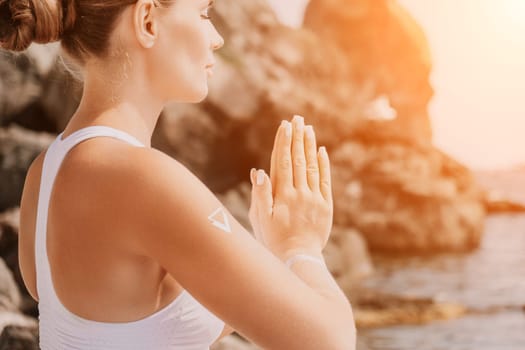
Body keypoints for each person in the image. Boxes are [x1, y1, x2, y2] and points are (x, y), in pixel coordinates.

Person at [3, 0, 356, 348]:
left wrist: (271, 254)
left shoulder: (43, 175)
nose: (216, 37)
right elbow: (329, 342)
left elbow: (162, 326)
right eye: (203, 13)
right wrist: (302, 246)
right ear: (148, 21)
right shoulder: (142, 178)